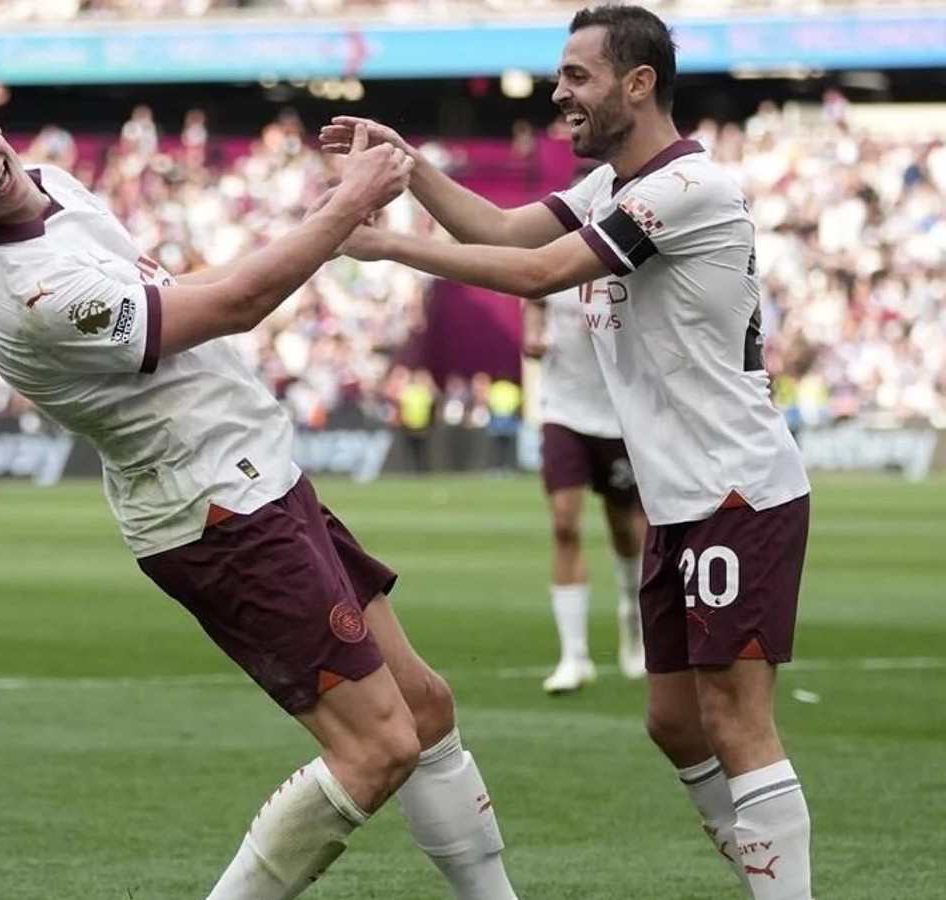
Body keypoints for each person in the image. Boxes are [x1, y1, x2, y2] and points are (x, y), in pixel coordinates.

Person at [0, 89, 519, 900]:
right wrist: (343, 206)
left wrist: (323, 219)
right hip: (218, 513)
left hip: (258, 473)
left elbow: (183, 290)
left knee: (425, 709)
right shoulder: (32, 292)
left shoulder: (53, 186)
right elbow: (231, 307)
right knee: (376, 749)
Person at [320, 5, 814, 898]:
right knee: (674, 722)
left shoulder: (683, 188)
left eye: (577, 77)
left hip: (738, 492)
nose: (558, 95)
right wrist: (408, 166)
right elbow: (507, 232)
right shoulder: (616, 185)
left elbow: (539, 274)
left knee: (738, 723)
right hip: (684, 496)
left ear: (639, 83)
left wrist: (387, 242)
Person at [523, 287, 646, 693]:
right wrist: (534, 332)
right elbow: (533, 291)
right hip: (563, 410)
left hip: (621, 413)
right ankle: (573, 656)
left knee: (628, 529)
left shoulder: (624, 246)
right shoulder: (556, 244)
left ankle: (634, 625)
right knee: (564, 523)